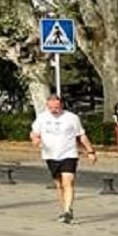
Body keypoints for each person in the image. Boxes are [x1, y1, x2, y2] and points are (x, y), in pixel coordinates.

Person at [31, 94, 95, 223]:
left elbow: (81, 136)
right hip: (50, 155)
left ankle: (67, 211)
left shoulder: (72, 118)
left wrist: (90, 151)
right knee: (59, 185)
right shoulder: (42, 118)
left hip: (69, 154)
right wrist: (35, 139)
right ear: (47, 106)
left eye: (57, 107)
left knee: (68, 183)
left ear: (62, 105)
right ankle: (64, 209)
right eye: (51, 107)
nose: (54, 110)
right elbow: (34, 133)